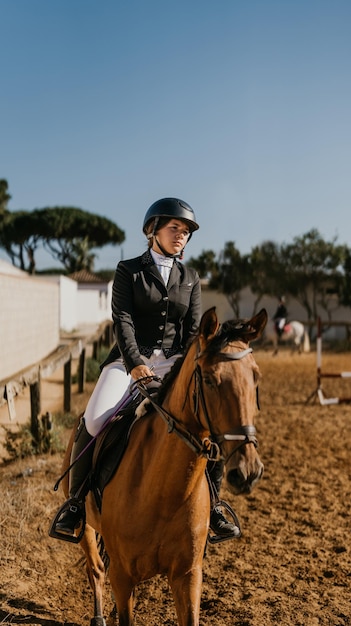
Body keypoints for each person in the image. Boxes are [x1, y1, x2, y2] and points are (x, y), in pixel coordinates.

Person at [53, 197, 239, 541]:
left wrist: (181, 371)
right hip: (128, 361)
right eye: (174, 228)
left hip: (173, 364)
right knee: (94, 419)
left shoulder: (191, 277)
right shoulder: (128, 271)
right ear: (152, 230)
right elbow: (121, 320)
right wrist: (136, 364)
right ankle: (75, 505)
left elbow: (194, 329)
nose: (181, 235)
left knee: (207, 423)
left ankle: (213, 508)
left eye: (185, 232)